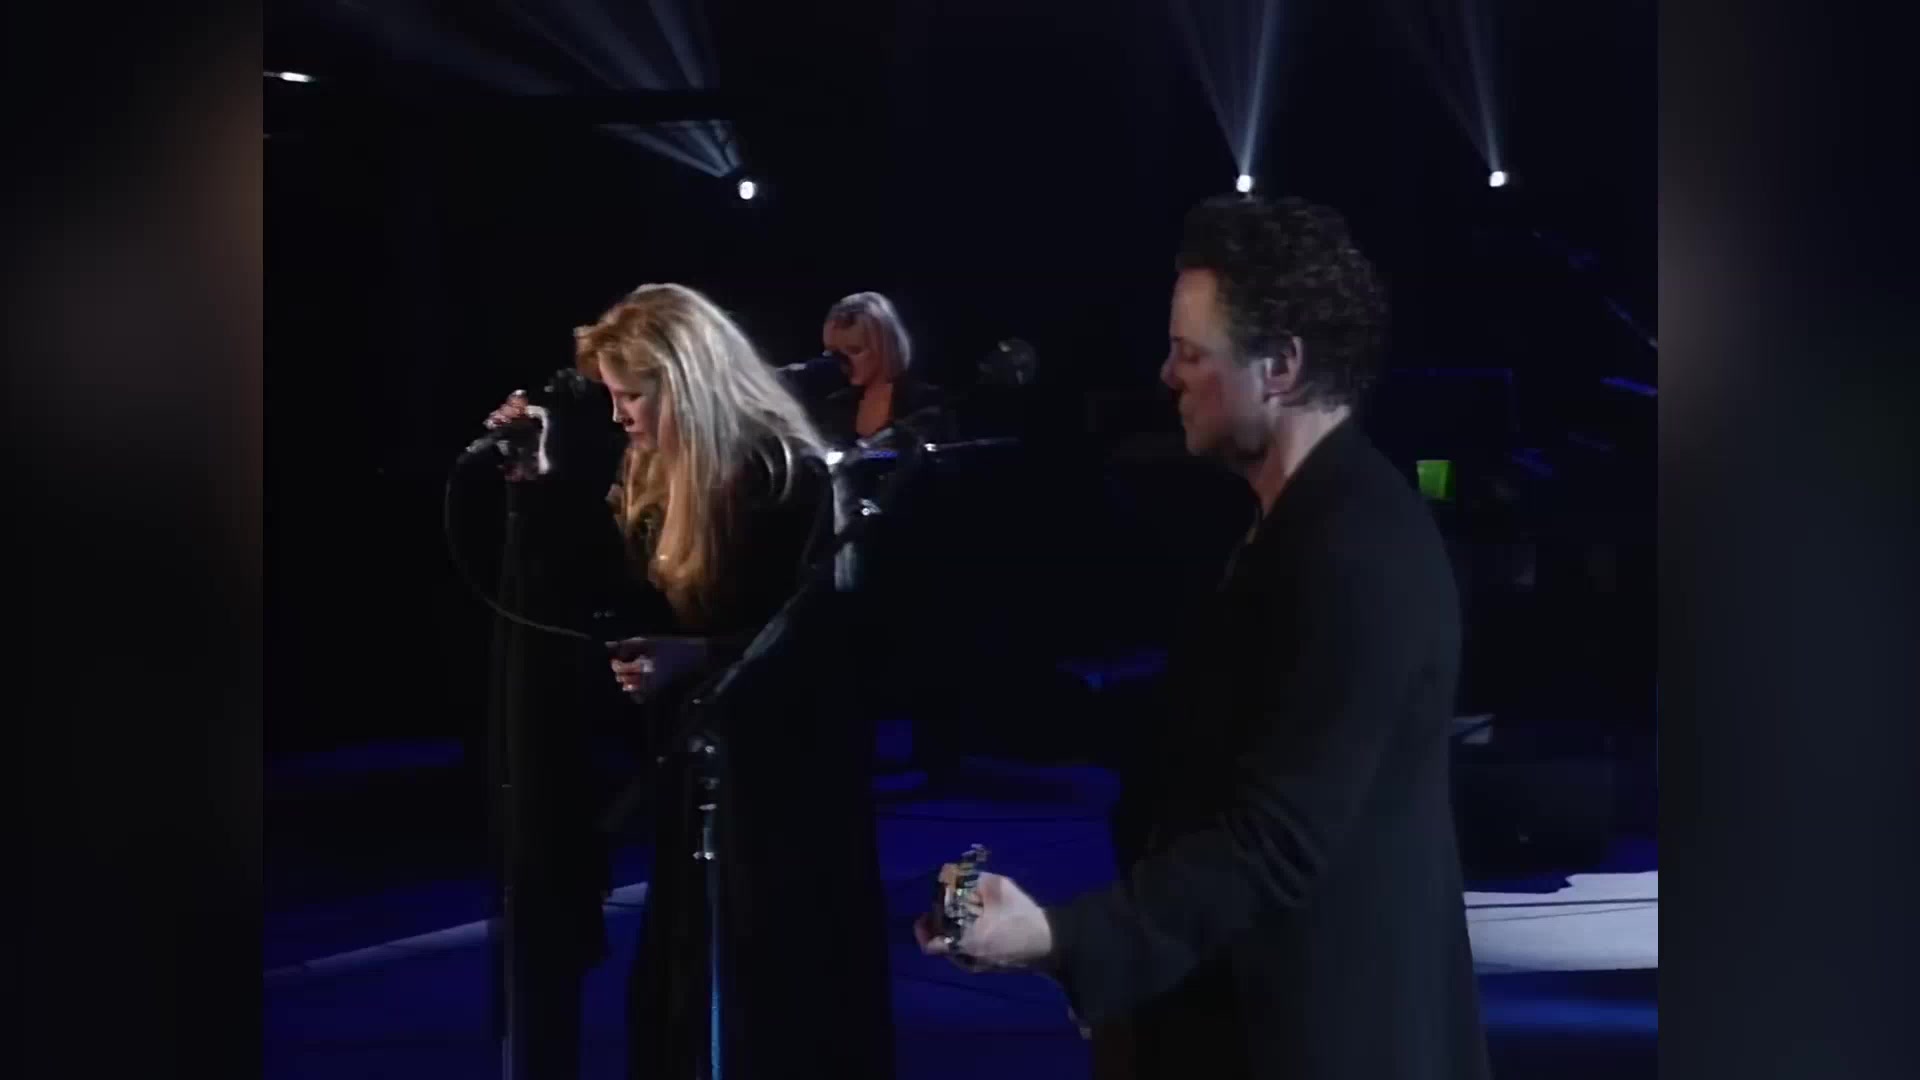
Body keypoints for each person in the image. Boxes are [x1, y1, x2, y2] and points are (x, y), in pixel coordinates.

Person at [915, 196, 1492, 1080]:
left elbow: (1274, 839)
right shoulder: (1295, 521)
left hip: (1323, 1036)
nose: (1167, 375)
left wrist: (1064, 938)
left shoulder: (1356, 550)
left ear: (1281, 366)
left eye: (1190, 354)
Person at [486, 282, 895, 1079]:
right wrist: (540, 485)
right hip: (696, 774)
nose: (619, 417)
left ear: (688, 383)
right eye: (613, 397)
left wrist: (697, 655)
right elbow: (616, 594)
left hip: (784, 792)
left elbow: (822, 644)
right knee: (686, 984)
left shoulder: (783, 473)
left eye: (633, 396)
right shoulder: (652, 470)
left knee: (772, 996)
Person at [814, 291, 945, 446]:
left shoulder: (926, 403)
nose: (843, 362)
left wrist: (868, 454)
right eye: (836, 353)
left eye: (855, 350)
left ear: (885, 347)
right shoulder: (834, 406)